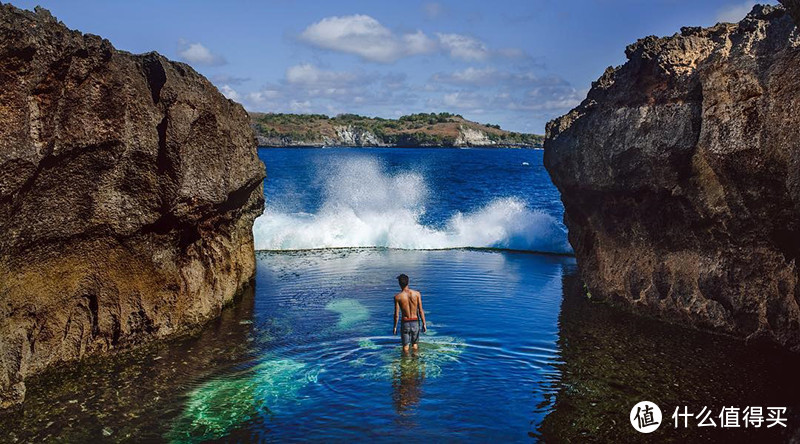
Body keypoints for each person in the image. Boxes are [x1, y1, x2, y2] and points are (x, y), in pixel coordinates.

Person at [392, 274, 427, 353]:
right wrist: (424, 324)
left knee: (405, 346)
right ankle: (415, 362)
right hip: (415, 321)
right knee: (414, 344)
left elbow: (396, 314)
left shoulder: (398, 297)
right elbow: (421, 310)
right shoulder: (417, 294)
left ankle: (405, 363)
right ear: (408, 282)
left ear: (399, 284)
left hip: (405, 323)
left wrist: (395, 327)